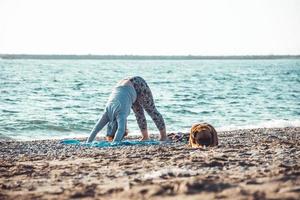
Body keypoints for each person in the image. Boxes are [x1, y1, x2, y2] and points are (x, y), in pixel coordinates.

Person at [87, 76, 167, 143]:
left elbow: (121, 130)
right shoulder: (107, 112)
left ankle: (164, 137)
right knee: (138, 113)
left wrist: (114, 144)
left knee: (151, 110)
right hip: (125, 87)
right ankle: (145, 137)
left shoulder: (120, 114)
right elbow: (96, 129)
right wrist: (88, 142)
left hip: (137, 84)